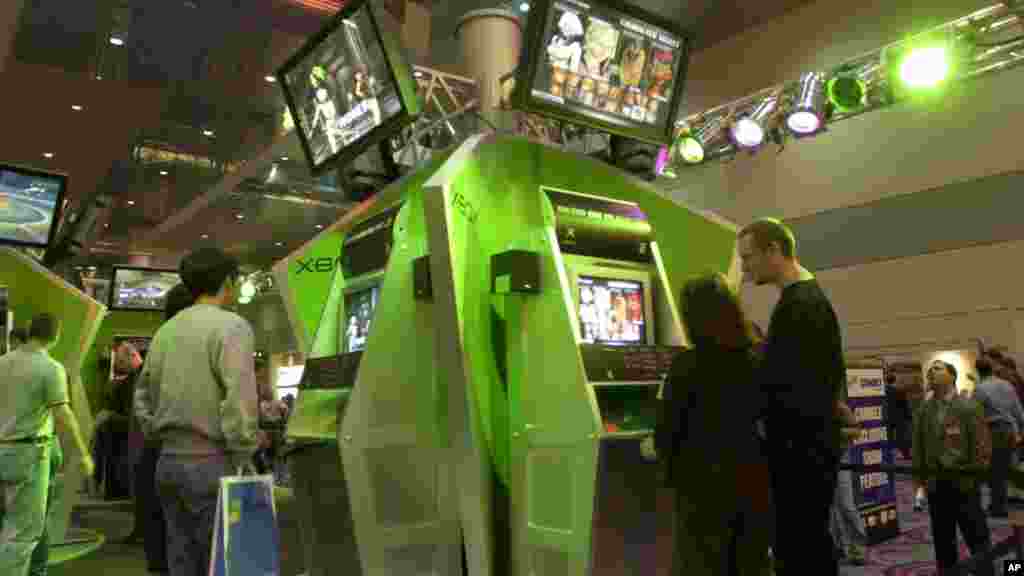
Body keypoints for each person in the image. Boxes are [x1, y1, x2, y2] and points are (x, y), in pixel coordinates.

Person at [135, 249, 264, 576]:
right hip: (212, 463)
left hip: (168, 464)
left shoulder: (166, 331)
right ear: (228, 282)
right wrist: (244, 449)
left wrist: (158, 434)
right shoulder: (232, 326)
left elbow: (143, 397)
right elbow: (239, 398)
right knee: (223, 562)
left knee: (181, 560)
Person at [737, 218, 845, 576]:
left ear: (774, 250)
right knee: (808, 544)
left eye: (748, 257)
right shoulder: (802, 300)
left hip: (801, 456)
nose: (745, 268)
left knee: (802, 550)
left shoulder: (803, 304)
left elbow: (795, 390)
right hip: (807, 451)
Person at [656, 272, 771, 576]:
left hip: (701, 497)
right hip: (753, 487)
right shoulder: (755, 361)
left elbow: (666, 436)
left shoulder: (685, 367)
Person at [0, 313, 95, 576]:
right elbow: (63, 415)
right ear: (56, 336)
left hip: (3, 449)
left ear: (30, 331)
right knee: (23, 533)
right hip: (29, 454)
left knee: (7, 527)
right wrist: (83, 454)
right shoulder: (50, 368)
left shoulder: (2, 362)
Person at [127, 283, 194, 575]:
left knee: (162, 539)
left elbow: (141, 399)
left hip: (157, 452)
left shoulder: (159, 343)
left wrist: (153, 433)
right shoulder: (198, 344)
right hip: (191, 453)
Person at [913, 360, 994, 576]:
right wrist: (919, 483)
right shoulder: (924, 410)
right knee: (943, 541)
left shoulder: (969, 406)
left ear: (952, 376)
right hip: (936, 485)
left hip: (964, 484)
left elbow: (982, 446)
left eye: (937, 368)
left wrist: (975, 476)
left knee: (977, 537)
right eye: (930, 369)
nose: (931, 372)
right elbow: (918, 447)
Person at [973, 356, 1024, 518]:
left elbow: (975, 415)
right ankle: (999, 504)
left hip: (993, 431)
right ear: (992, 369)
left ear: (978, 371)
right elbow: (1018, 410)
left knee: (996, 471)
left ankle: (998, 507)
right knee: (1007, 468)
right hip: (1010, 429)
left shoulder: (979, 389)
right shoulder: (1007, 385)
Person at [831, 400, 867, 565]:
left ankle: (858, 548)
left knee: (846, 505)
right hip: (818, 460)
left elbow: (857, 431)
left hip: (841, 460)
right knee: (830, 508)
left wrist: (835, 432)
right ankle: (837, 546)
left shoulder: (839, 406)